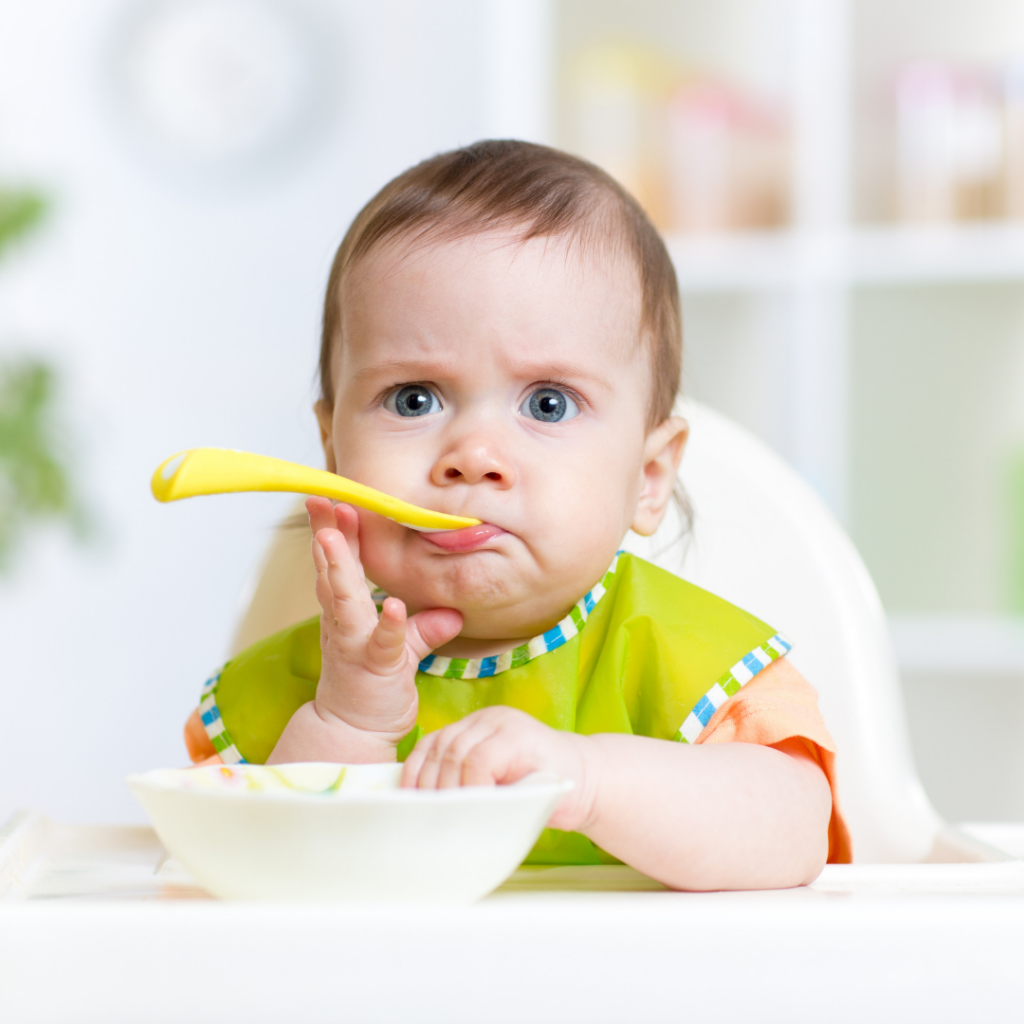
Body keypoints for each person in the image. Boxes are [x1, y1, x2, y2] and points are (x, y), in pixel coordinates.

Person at [184, 140, 851, 889]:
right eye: (414, 399)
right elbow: (267, 881)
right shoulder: (301, 686)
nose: (473, 455)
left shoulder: (685, 664)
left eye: (548, 404)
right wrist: (349, 722)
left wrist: (588, 778)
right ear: (334, 455)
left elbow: (793, 836)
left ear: (649, 476)